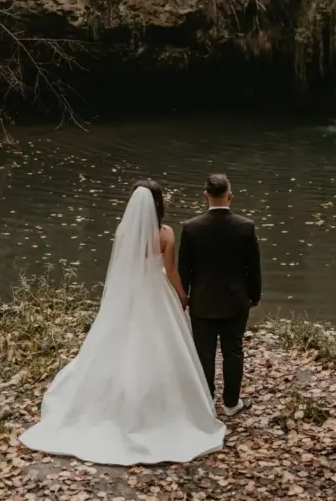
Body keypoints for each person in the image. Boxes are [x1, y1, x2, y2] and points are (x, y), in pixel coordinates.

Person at [19, 180, 225, 465]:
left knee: (120, 342)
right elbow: (170, 271)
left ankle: (116, 400)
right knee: (161, 346)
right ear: (159, 204)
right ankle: (160, 404)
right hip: (155, 293)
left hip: (128, 293)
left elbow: (121, 267)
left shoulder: (122, 231)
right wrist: (182, 295)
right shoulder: (165, 234)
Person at [178, 173, 262, 417]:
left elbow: (185, 270)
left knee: (204, 353)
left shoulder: (191, 228)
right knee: (233, 351)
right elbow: (252, 267)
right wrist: (254, 295)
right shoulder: (245, 227)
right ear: (230, 196)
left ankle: (206, 402)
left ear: (205, 196)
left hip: (202, 301)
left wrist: (184, 297)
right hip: (236, 300)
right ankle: (231, 403)